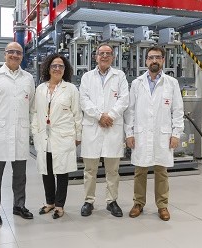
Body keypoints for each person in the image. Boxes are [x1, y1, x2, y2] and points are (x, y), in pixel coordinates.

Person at [124, 46, 184, 221]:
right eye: (151, 58)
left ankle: (162, 205)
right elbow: (130, 111)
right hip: (141, 134)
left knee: (161, 171)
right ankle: (138, 203)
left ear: (163, 60)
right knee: (139, 171)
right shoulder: (136, 84)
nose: (154, 61)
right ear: (146, 61)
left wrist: (176, 134)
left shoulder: (171, 83)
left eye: (158, 57)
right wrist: (129, 133)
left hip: (162, 134)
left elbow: (178, 111)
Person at [0, 42, 35, 226]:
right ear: (4, 54)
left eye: (18, 52)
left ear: (22, 56)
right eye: (11, 52)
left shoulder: (28, 78)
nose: (14, 55)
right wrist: (0, 116)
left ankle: (19, 205)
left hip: (20, 130)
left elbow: (31, 103)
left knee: (20, 175)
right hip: (0, 130)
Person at [79, 43, 130, 217]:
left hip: (112, 127)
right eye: (101, 53)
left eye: (108, 53)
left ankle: (111, 201)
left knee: (113, 170)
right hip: (93, 126)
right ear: (96, 56)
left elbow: (124, 99)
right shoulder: (87, 77)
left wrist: (111, 115)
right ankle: (88, 201)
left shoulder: (120, 76)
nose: (105, 56)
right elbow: (84, 100)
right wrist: (100, 115)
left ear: (113, 57)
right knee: (90, 170)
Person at [31, 54, 82, 219]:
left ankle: (59, 206)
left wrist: (78, 134)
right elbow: (35, 112)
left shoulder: (71, 89)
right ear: (48, 68)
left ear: (65, 69)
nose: (57, 69)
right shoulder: (40, 89)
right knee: (46, 170)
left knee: (62, 171)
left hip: (64, 136)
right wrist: (34, 130)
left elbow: (77, 114)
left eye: (61, 66)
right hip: (43, 136)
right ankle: (49, 202)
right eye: (54, 65)